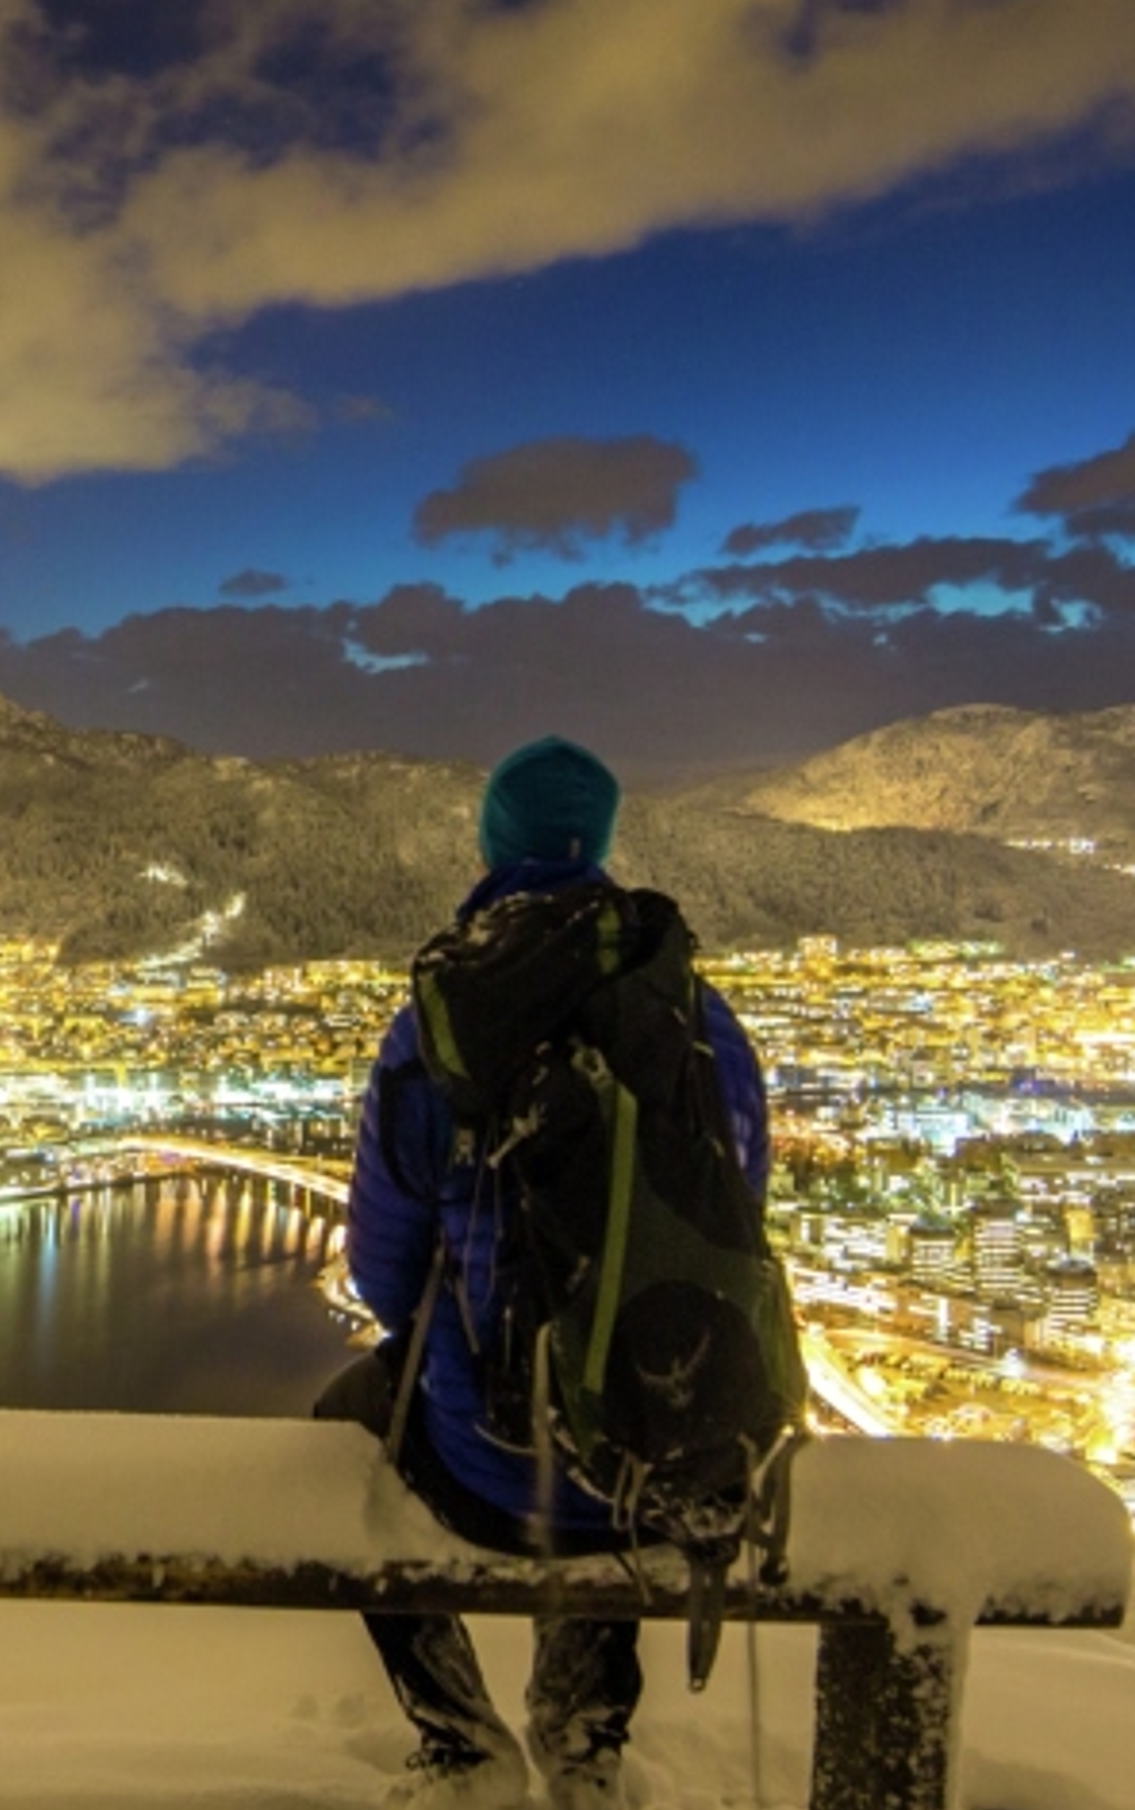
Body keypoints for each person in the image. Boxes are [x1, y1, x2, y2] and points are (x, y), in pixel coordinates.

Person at [316, 735, 775, 1810]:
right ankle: (584, 1737)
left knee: (344, 1420)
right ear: (606, 848)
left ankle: (459, 1741)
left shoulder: (439, 1030)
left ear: (489, 846)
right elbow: (728, 1238)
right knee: (626, 1384)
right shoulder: (704, 1027)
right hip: (659, 1472)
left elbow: (382, 1279)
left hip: (487, 1471)